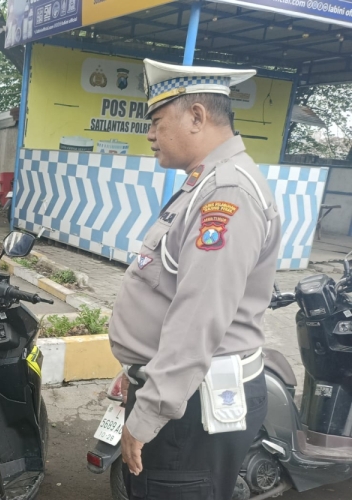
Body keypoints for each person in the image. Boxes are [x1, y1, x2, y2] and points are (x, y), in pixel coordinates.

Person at [108, 59, 282, 499]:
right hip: (180, 391)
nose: (149, 134)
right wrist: (136, 370)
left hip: (191, 404)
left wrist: (149, 412)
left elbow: (198, 319)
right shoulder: (204, 184)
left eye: (157, 120)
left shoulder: (227, 193)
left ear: (197, 117)